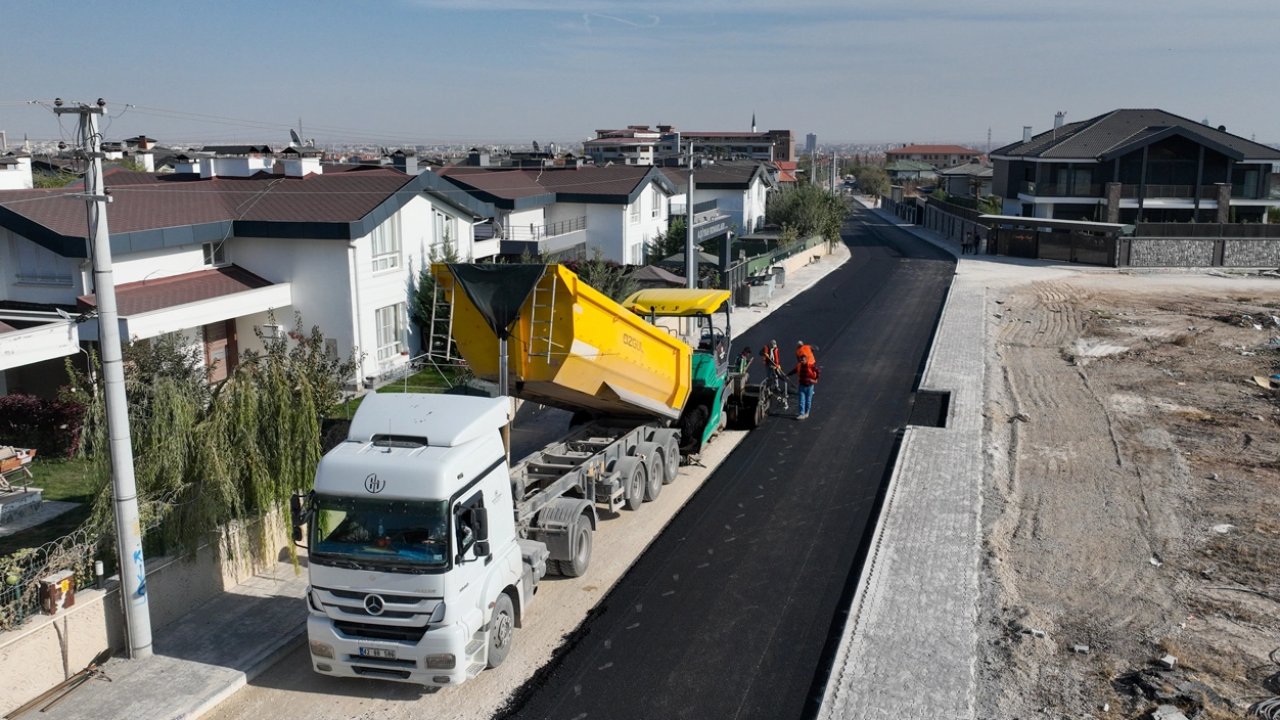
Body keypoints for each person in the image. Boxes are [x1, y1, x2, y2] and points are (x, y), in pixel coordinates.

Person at [788, 349, 819, 419]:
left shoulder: (810, 366)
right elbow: (794, 371)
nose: (801, 361)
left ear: (806, 360)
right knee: (801, 400)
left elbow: (817, 371)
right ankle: (801, 414)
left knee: (808, 400)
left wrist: (815, 379)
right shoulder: (799, 365)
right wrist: (787, 375)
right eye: (801, 359)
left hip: (809, 386)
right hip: (801, 385)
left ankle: (807, 412)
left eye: (803, 360)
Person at [760, 340, 788, 409]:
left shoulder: (775, 349)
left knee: (776, 375)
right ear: (770, 345)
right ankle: (768, 386)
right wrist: (765, 354)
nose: (774, 347)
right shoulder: (766, 347)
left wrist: (778, 365)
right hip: (768, 363)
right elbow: (761, 353)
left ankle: (776, 386)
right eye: (773, 346)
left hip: (774, 363)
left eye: (774, 346)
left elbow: (777, 357)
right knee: (769, 375)